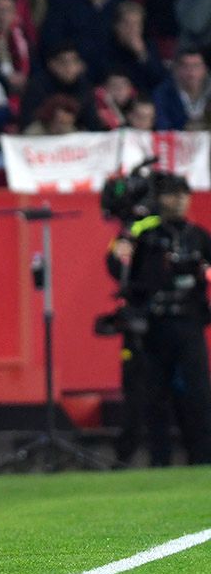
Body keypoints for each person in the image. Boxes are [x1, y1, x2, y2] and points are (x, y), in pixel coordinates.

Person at [107, 173, 211, 466]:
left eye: (183, 194)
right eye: (171, 194)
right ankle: (159, 459)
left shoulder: (198, 236)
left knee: (198, 395)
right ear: (158, 199)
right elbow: (117, 266)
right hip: (153, 325)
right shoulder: (144, 232)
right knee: (153, 396)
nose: (178, 201)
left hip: (189, 323)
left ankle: (202, 458)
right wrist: (125, 242)